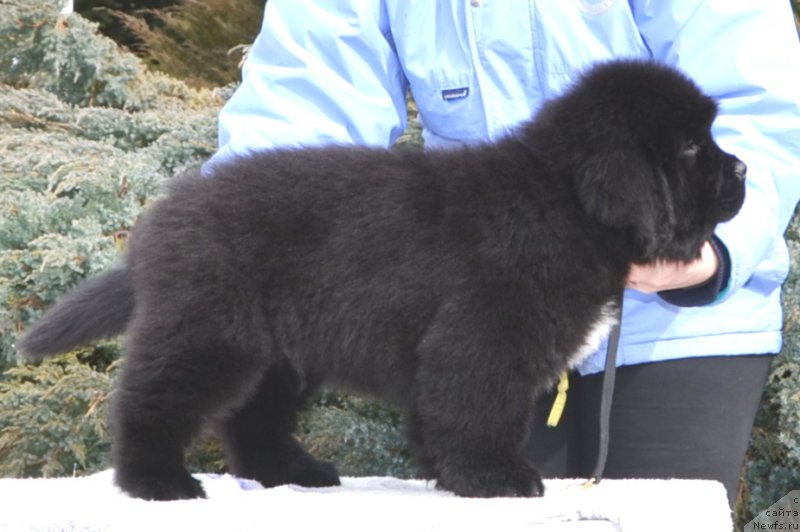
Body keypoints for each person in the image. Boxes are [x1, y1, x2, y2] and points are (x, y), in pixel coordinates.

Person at [205, 0, 800, 507]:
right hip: (485, 300)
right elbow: (312, 90)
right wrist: (248, 246)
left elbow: (757, 94)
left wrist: (713, 242)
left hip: (681, 320)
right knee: (485, 501)